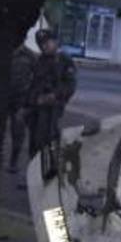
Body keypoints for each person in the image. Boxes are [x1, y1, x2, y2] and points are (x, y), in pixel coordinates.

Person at [26, 29, 77, 158]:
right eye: (41, 44)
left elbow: (70, 86)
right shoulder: (39, 61)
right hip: (36, 108)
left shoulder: (63, 60)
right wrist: (31, 101)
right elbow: (33, 84)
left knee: (48, 141)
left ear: (55, 42)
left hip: (52, 107)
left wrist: (54, 95)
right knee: (35, 142)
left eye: (47, 43)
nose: (44, 46)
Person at [6, 43, 37, 173]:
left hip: (21, 100)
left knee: (18, 132)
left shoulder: (30, 56)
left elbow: (38, 76)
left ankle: (13, 162)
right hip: (1, 98)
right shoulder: (2, 51)